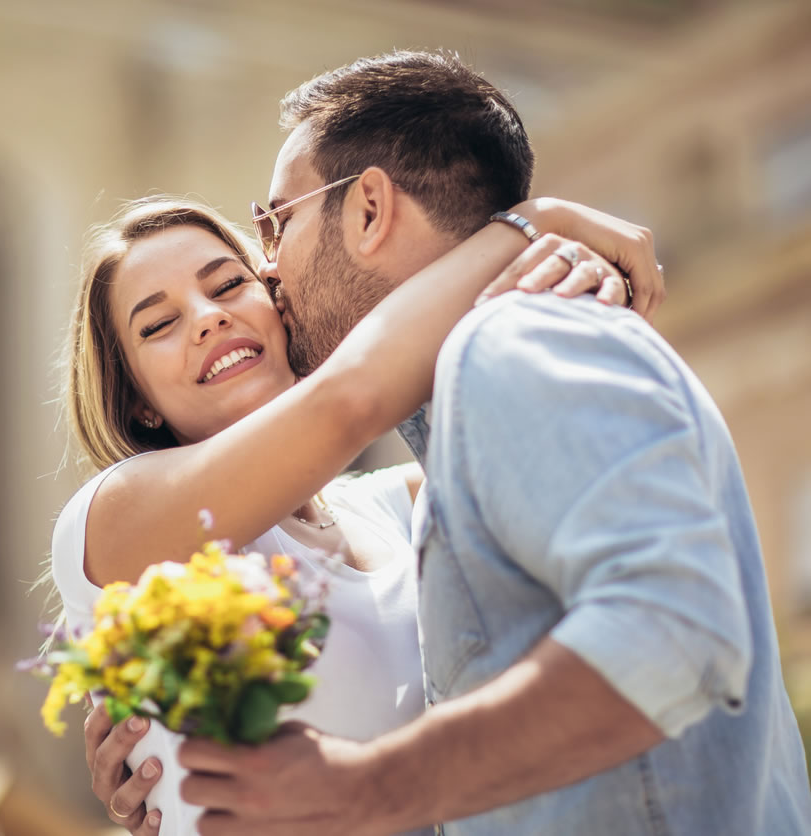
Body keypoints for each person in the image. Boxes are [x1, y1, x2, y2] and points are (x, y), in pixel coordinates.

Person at [128, 51, 811, 836]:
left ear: (369, 210)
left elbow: (677, 630)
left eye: (276, 222)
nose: (268, 268)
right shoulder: (452, 422)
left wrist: (367, 787)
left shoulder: (512, 343)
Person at [54, 189, 662, 835]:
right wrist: (536, 222)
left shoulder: (394, 508)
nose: (206, 318)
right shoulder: (115, 515)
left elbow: (539, 447)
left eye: (228, 285)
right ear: (141, 401)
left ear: (275, 300)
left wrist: (584, 291)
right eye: (158, 325)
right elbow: (352, 397)